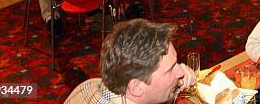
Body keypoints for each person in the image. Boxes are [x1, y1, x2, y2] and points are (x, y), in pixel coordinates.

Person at [65, 19, 196, 104]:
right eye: (170, 69)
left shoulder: (88, 86)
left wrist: (174, 87)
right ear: (136, 87)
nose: (181, 71)